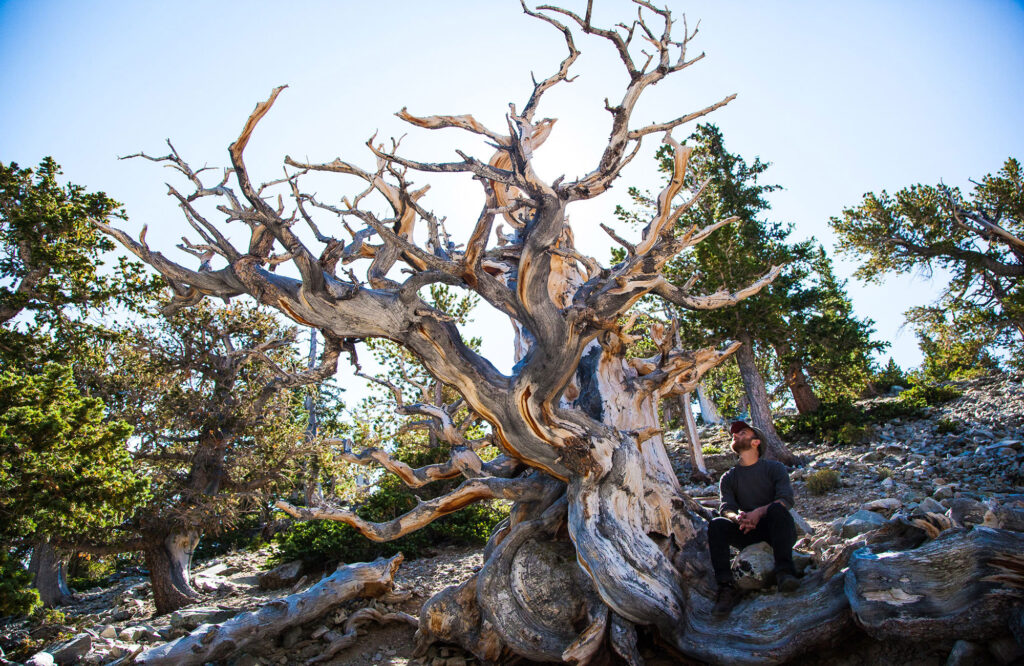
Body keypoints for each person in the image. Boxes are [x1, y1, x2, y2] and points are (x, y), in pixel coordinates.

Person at [709, 420, 798, 617]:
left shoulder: (774, 468)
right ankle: (725, 587)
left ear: (756, 442)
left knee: (777, 509)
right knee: (717, 525)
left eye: (742, 432)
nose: (735, 435)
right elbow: (726, 508)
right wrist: (738, 518)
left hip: (777, 530)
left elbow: (785, 500)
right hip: (748, 530)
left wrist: (759, 512)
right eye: (734, 434)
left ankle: (785, 572)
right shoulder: (729, 477)